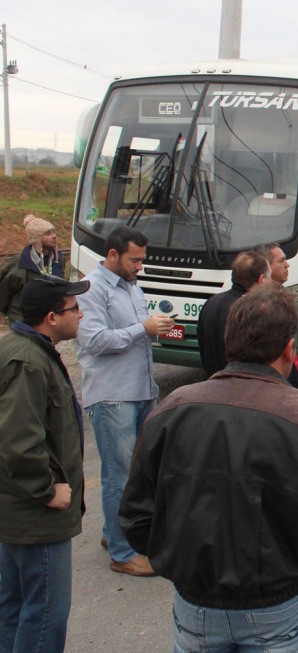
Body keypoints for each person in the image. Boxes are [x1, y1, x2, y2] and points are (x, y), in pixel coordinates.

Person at [120, 285, 298, 649]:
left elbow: (135, 514)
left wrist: (182, 568)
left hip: (196, 603)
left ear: (229, 341)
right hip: (279, 603)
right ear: (289, 349)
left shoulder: (170, 410)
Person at [76, 226, 174, 577]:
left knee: (136, 474)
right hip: (113, 395)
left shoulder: (132, 287)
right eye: (135, 260)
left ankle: (111, 533)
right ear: (113, 255)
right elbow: (95, 341)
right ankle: (122, 552)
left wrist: (153, 332)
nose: (140, 267)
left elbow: (134, 335)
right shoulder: (91, 289)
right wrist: (142, 329)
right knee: (119, 476)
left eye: (142, 260)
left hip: (140, 391)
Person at [0, 275, 89, 652]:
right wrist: (47, 489)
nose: (81, 315)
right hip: (35, 514)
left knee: (15, 606)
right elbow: (18, 440)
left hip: (19, 510)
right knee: (45, 616)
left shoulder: (27, 349)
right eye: (74, 309)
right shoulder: (28, 360)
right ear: (52, 317)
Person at [254, 243, 298, 392]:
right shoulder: (262, 302)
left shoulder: (280, 293)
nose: (287, 265)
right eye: (281, 261)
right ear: (266, 266)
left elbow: (289, 339)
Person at [197, 251, 271, 377]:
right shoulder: (249, 311)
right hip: (238, 387)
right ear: (261, 279)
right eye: (270, 276)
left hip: (211, 383)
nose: (272, 282)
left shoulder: (211, 302)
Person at [0, 215, 66, 323]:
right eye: (48, 234)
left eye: (54, 232)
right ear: (37, 238)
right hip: (22, 321)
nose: (54, 236)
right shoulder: (20, 262)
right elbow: (3, 292)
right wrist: (14, 316)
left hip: (47, 320)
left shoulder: (58, 260)